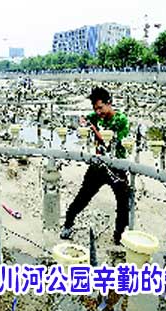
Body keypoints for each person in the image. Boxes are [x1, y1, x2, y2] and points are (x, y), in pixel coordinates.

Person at [60, 87, 130, 244]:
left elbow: (112, 141)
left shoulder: (121, 120)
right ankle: (68, 223)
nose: (98, 112)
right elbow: (83, 120)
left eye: (101, 108)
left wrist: (93, 129)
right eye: (95, 109)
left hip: (116, 166)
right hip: (98, 165)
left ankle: (119, 235)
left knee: (123, 203)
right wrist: (83, 122)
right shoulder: (95, 117)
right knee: (83, 196)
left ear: (109, 103)